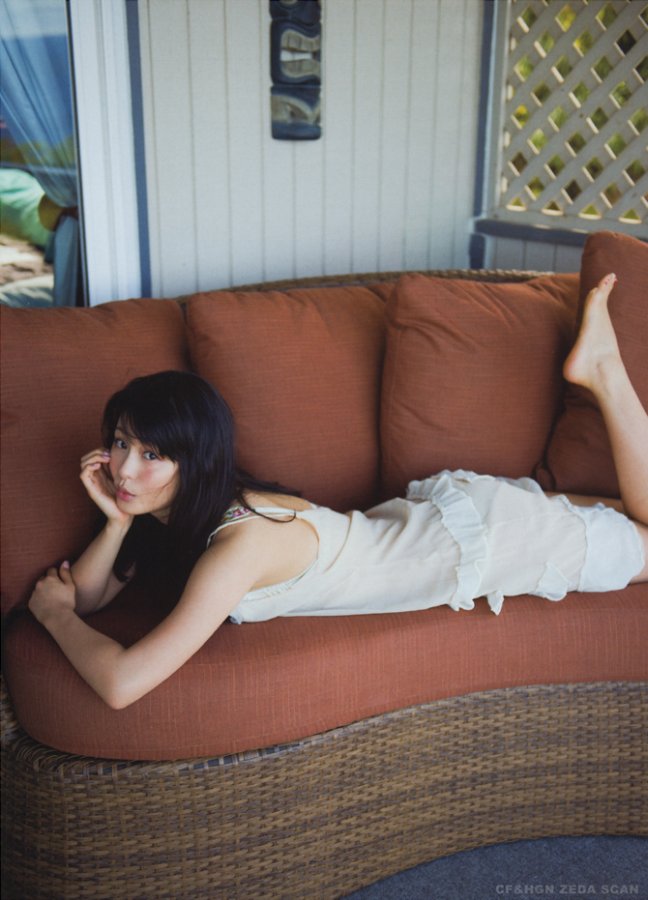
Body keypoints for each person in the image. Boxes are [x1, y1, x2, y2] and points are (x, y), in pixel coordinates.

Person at [28, 273, 647, 709]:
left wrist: (53, 616)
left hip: (490, 540)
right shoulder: (188, 506)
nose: (124, 470)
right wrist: (116, 522)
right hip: (447, 519)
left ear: (194, 460)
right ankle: (600, 369)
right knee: (632, 516)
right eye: (119, 443)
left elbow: (121, 683)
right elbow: (91, 596)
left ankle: (605, 371)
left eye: (151, 454)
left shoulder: (239, 546)